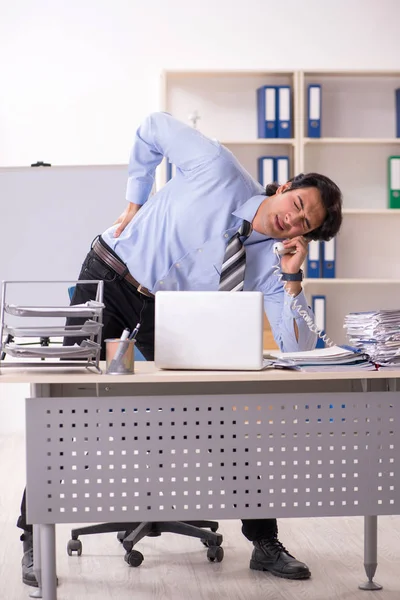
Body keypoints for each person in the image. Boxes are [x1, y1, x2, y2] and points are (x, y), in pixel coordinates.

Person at [18, 111, 343, 586]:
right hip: (112, 276)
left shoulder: (272, 263)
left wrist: (293, 279)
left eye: (304, 224)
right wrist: (136, 198)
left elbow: (297, 347)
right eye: (297, 202)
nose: (291, 217)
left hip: (168, 312)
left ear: (304, 236)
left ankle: (264, 541)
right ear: (285, 186)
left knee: (223, 415)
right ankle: (34, 537)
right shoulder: (217, 167)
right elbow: (151, 127)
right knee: (66, 404)